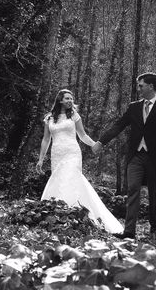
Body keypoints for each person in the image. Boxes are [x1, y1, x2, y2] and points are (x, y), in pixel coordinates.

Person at [92, 72, 156, 239]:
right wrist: (101, 141)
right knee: (132, 189)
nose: (138, 89)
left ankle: (154, 229)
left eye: (141, 85)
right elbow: (119, 125)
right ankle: (129, 231)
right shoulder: (134, 107)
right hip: (136, 156)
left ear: (151, 86)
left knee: (154, 193)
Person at [36, 89, 123, 234]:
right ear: (60, 100)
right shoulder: (50, 118)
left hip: (72, 153)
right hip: (57, 154)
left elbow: (82, 135)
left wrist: (94, 144)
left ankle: (74, 213)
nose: (70, 101)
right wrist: (40, 159)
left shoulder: (74, 116)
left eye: (71, 98)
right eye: (67, 98)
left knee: (71, 178)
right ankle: (59, 215)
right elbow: (46, 139)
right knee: (59, 181)